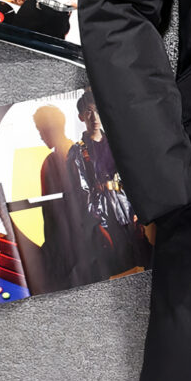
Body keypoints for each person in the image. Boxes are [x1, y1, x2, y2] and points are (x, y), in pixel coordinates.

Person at [66, 89, 150, 279]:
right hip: (100, 214)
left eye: (97, 110)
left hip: (126, 206)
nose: (94, 117)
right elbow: (81, 190)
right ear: (81, 117)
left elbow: (133, 177)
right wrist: (96, 223)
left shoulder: (117, 142)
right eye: (89, 111)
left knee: (141, 255)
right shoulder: (77, 151)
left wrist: (138, 209)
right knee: (114, 263)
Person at [32, 104, 103, 291]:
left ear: (51, 129)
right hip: (82, 243)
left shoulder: (55, 160)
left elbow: (51, 213)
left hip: (68, 247)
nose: (41, 136)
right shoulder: (78, 152)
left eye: (41, 130)